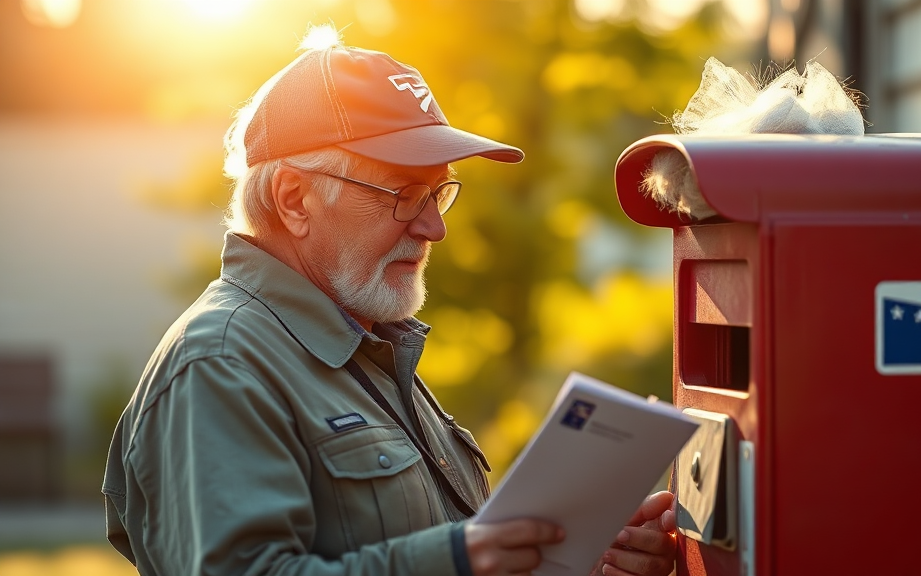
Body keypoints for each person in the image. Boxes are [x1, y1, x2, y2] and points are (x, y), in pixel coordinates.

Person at [103, 25, 677, 576]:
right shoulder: (220, 365)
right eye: (404, 194)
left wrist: (576, 561)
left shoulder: (365, 346)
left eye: (438, 193)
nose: (434, 228)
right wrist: (458, 560)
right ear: (295, 199)